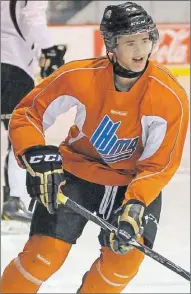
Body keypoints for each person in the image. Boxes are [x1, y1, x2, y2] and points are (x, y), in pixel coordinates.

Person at [1, 2, 189, 293]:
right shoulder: (79, 77)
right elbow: (27, 114)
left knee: (120, 267)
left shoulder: (168, 96)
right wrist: (33, 151)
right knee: (42, 257)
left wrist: (135, 205)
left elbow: (159, 164)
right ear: (111, 46)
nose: (140, 50)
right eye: (130, 42)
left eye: (145, 39)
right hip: (77, 175)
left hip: (132, 186)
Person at [1, 0, 67, 222]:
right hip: (12, 65)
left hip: (11, 60)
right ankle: (13, 201)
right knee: (19, 134)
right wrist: (49, 50)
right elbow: (33, 15)